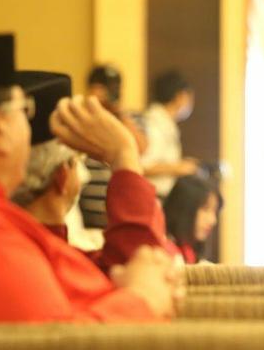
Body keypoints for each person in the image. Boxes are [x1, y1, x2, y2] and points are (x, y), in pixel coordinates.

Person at [0, 35, 175, 322]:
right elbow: (51, 341)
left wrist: (124, 156)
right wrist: (142, 299)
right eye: (24, 110)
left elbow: (106, 277)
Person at [11, 71, 174, 274]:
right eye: (78, 161)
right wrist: (124, 154)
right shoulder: (45, 261)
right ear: (62, 176)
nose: (85, 177)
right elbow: (141, 269)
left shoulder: (12, 246)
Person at [80, 64, 148, 229]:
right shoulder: (84, 116)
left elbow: (141, 147)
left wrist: (117, 113)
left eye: (111, 88)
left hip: (122, 209)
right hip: (87, 214)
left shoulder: (131, 117)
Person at [140, 70, 199, 198]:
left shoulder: (165, 123)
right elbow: (143, 166)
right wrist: (178, 168)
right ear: (180, 96)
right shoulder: (154, 123)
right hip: (151, 196)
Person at [162, 175, 222, 265]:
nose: (213, 221)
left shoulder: (189, 251)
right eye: (206, 209)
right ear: (183, 207)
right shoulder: (162, 253)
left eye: (214, 212)